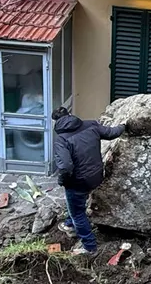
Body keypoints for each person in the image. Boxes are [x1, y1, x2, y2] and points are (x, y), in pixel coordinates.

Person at [52, 107, 126, 255]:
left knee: (78, 212)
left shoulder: (61, 140)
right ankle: (69, 223)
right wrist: (124, 125)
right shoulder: (91, 125)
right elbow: (112, 133)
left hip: (78, 181)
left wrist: (62, 181)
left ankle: (89, 246)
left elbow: (66, 166)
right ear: (70, 115)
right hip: (97, 175)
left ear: (55, 122)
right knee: (75, 204)